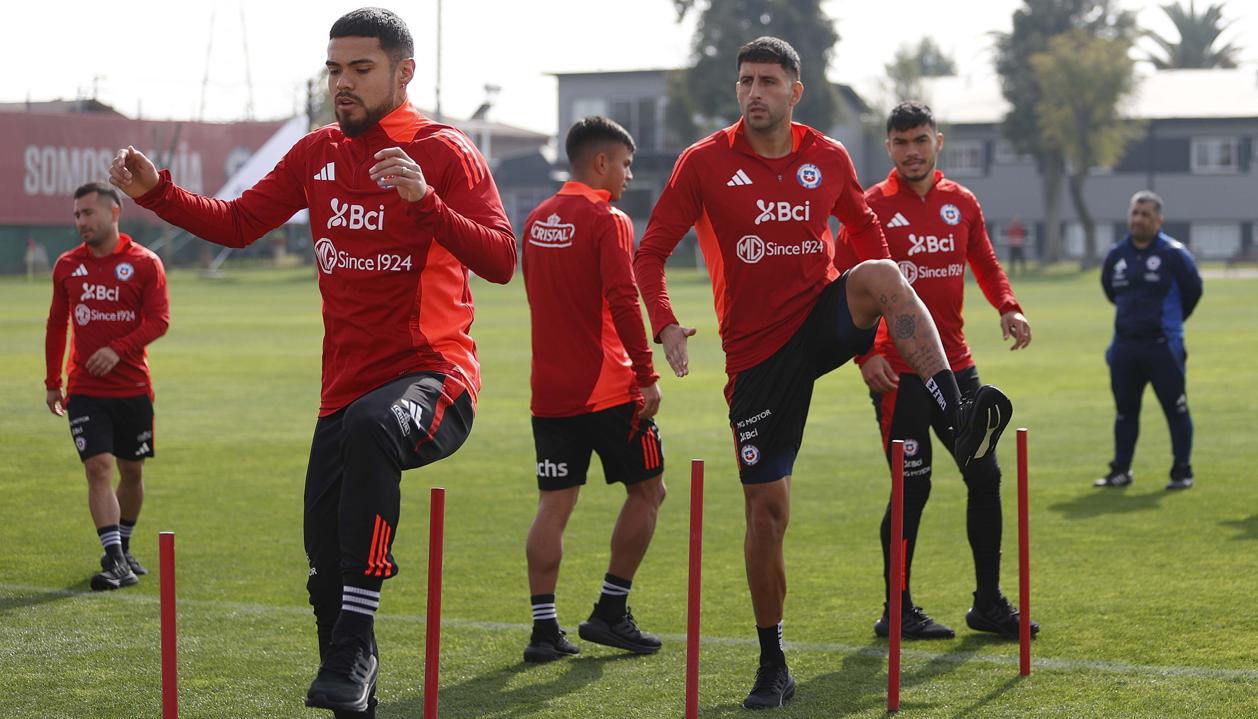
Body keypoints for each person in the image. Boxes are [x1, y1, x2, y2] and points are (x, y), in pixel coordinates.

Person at [108, 8, 517, 717]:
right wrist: (156, 194)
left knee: (371, 429)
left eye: (361, 69)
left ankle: (357, 640)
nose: (343, 83)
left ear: (403, 72)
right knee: (324, 572)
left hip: (436, 376)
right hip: (343, 394)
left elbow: (502, 259)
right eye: (334, 69)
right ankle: (353, 683)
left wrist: (425, 201)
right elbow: (238, 223)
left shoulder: (445, 151)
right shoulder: (316, 153)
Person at [634, 38, 1013, 710]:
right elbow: (652, 251)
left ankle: (957, 412)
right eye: (746, 81)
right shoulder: (704, 162)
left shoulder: (827, 156)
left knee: (883, 274)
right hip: (757, 356)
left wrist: (871, 329)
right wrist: (664, 323)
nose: (755, 93)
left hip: (819, 318)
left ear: (795, 91)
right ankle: (772, 658)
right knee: (768, 510)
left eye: (769, 81)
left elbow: (867, 234)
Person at [835, 102, 1039, 642]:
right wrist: (865, 354)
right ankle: (896, 609)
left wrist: (1008, 306)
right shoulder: (870, 207)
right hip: (897, 379)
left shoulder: (961, 202)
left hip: (958, 372)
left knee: (986, 475)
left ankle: (989, 605)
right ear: (888, 149)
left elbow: (987, 262)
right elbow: (837, 282)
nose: (912, 151)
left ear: (938, 142)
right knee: (911, 490)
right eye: (901, 143)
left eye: (920, 140)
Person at [520, 116, 666, 663]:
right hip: (607, 387)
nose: (628, 176)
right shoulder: (608, 218)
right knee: (649, 491)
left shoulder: (535, 220)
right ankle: (610, 611)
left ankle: (543, 629)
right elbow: (625, 299)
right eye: (626, 165)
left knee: (553, 507)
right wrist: (646, 375)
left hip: (549, 390)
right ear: (601, 162)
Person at [44, 182, 170, 592]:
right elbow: (56, 325)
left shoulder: (145, 263)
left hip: (133, 386)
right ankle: (115, 560)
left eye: (88, 213)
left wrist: (118, 349)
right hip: (84, 389)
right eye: (77, 215)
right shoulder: (66, 265)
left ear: (114, 213)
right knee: (98, 468)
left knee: (131, 472)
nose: (81, 222)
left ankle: (124, 545)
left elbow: (159, 320)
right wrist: (52, 381)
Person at [1095, 191, 1202, 490]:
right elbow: (1110, 291)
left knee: (1176, 408)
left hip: (1163, 346)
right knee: (1125, 411)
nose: (1138, 219)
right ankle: (1121, 470)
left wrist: (1171, 325)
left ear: (1159, 220)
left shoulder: (1174, 254)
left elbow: (1193, 291)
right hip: (1125, 347)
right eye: (1134, 213)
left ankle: (1182, 470)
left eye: (1145, 214)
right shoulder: (1117, 255)